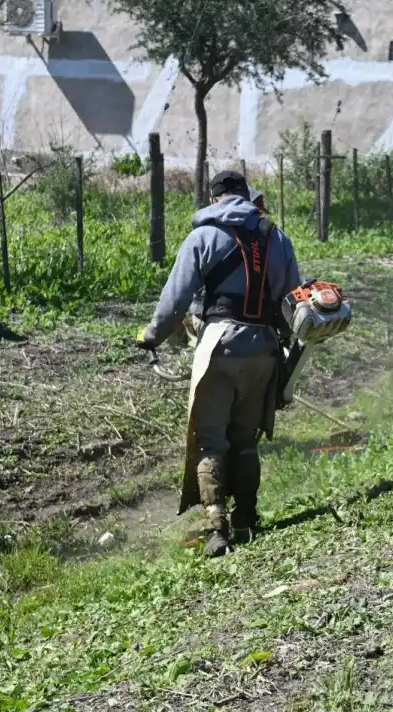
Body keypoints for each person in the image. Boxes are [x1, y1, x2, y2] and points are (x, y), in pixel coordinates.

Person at [135, 170, 301, 557]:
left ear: (214, 200)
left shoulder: (203, 236)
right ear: (247, 196)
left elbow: (175, 301)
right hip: (264, 350)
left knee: (211, 440)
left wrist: (151, 336)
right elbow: (292, 299)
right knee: (245, 439)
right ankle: (247, 516)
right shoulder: (276, 238)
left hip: (219, 348)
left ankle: (216, 529)